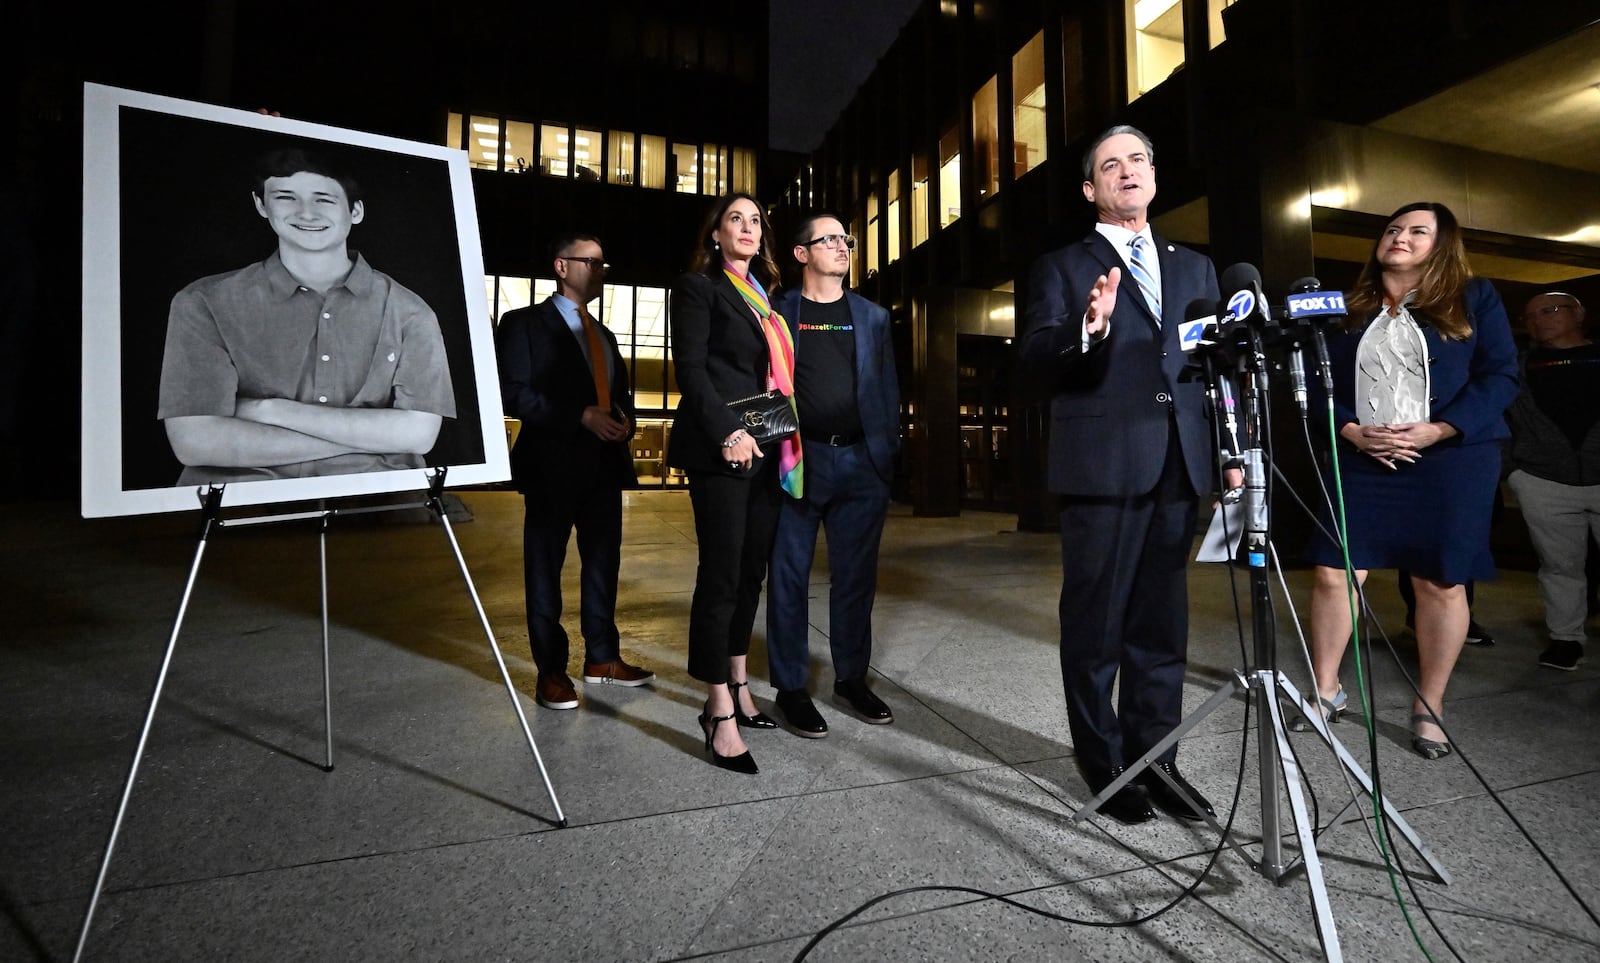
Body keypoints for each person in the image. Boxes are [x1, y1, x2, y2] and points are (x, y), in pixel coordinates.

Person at [1020, 125, 1237, 825]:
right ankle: (1105, 761)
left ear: (1154, 173)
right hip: (1103, 467)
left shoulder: (1198, 268)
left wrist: (1230, 450)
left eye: (1138, 158)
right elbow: (1035, 356)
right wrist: (1088, 329)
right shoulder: (1061, 265)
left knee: (1162, 625)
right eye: (1110, 165)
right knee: (1096, 625)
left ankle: (1158, 758)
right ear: (1091, 188)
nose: (1127, 171)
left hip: (1180, 461)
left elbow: (1212, 372)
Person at [1301, 201, 1518, 759]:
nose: (1400, 236)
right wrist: (1349, 429)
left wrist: (1440, 429)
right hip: (1360, 456)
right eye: (1393, 228)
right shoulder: (1344, 307)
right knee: (1334, 571)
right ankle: (1326, 691)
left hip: (1450, 460)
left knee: (1439, 581)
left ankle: (1429, 704)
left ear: (1443, 245)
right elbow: (1312, 381)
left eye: (1418, 231)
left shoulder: (1475, 296)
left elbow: (1501, 375)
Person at [159, 146, 455, 484]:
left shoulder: (410, 311)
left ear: (355, 211)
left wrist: (269, 410)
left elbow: (418, 436)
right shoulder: (203, 301)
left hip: (374, 509)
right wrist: (370, 440)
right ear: (261, 205)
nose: (307, 214)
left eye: (324, 199)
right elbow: (195, 442)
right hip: (238, 513)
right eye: (286, 197)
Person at [667, 193, 802, 774]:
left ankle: (740, 683)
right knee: (720, 574)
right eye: (734, 220)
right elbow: (692, 371)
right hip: (722, 448)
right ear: (716, 235)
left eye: (754, 221)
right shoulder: (699, 289)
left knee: (752, 572)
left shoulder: (766, 303)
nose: (747, 227)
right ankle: (717, 706)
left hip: (767, 448)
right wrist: (727, 432)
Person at [495, 233, 655, 710]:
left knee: (604, 566)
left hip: (605, 468)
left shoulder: (603, 334)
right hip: (551, 466)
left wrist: (625, 422)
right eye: (593, 262)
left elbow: (620, 396)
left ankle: (602, 657)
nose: (602, 270)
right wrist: (580, 415)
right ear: (561, 266)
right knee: (544, 570)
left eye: (605, 263)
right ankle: (550, 671)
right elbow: (513, 393)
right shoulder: (522, 323)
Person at [765, 212, 900, 738]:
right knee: (789, 577)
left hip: (861, 465)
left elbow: (886, 390)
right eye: (829, 239)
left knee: (855, 579)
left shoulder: (872, 316)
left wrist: (883, 456)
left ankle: (851, 679)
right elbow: (769, 385)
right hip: (801, 461)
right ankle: (791, 688)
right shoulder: (778, 313)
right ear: (802, 253)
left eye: (845, 239)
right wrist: (778, 452)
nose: (842, 246)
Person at [1504, 291, 1599, 671]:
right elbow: (1502, 420)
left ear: (1579, 313)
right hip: (1543, 479)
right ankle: (1565, 639)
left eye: (1549, 310)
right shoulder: (1516, 367)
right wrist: (1513, 471)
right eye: (1530, 316)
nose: (1539, 320)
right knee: (1560, 566)